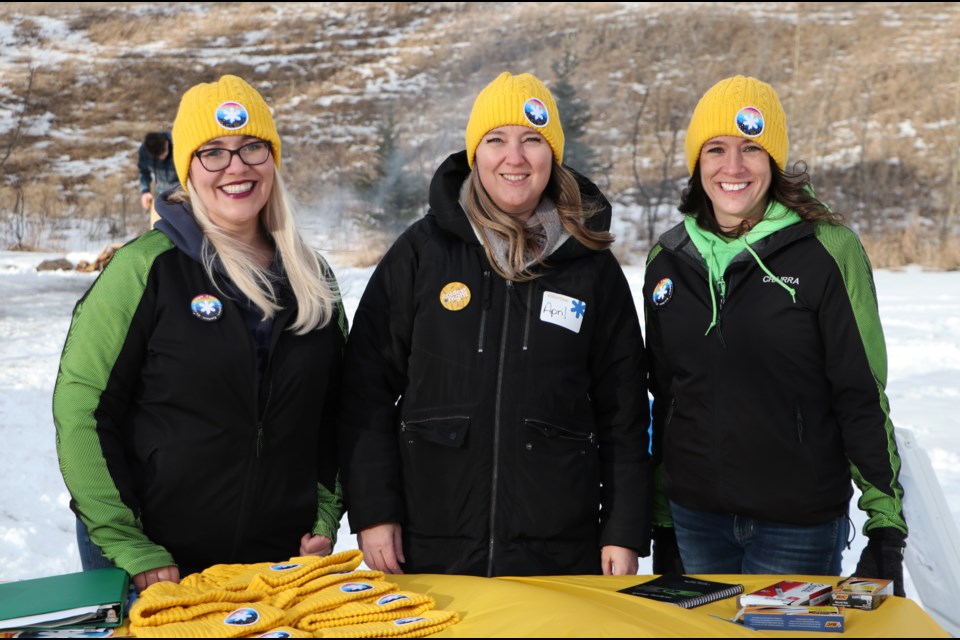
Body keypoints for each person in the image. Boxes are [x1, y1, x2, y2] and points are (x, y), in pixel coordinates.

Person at [338, 71, 651, 577]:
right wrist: (375, 512)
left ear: (553, 155)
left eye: (533, 141)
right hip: (430, 541)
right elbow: (364, 390)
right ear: (474, 153)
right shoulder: (421, 254)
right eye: (496, 140)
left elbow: (625, 411)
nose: (515, 158)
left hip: (559, 548)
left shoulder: (590, 267)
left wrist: (622, 528)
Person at [53, 75, 346, 592]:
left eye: (252, 147)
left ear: (273, 159)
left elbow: (339, 408)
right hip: (152, 565)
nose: (236, 167)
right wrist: (129, 544)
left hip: (270, 567)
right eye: (213, 152)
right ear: (187, 169)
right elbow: (81, 408)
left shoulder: (311, 278)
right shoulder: (145, 270)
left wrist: (322, 517)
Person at [643, 75, 908, 594]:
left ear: (776, 161)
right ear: (698, 164)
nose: (733, 167)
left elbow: (861, 392)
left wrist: (886, 525)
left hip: (798, 524)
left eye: (752, 149)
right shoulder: (667, 258)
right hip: (694, 519)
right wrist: (661, 516)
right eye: (716, 149)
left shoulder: (828, 251)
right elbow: (666, 399)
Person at [137, 131, 178, 228]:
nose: (161, 157)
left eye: (163, 152)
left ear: (166, 143)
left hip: (182, 193)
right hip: (162, 194)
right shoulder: (145, 151)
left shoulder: (178, 145)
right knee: (159, 227)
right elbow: (143, 171)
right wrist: (145, 191)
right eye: (158, 156)